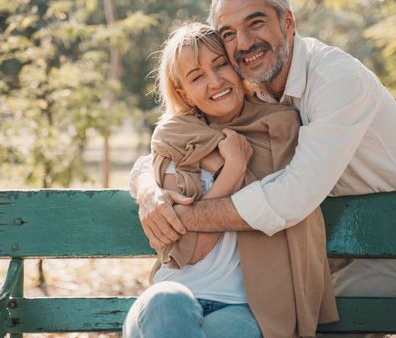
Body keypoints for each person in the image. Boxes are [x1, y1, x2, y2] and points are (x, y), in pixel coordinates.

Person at [130, 0, 396, 322]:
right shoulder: (255, 85)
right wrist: (148, 190)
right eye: (229, 33)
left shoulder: (337, 80)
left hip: (392, 236)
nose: (244, 43)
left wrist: (183, 218)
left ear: (288, 23)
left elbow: (291, 197)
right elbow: (171, 142)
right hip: (323, 244)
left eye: (256, 22)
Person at [123, 22, 338, 338]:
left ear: (237, 66)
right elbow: (189, 252)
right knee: (165, 303)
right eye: (197, 77)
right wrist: (233, 169)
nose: (214, 81)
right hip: (173, 302)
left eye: (220, 64)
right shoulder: (175, 138)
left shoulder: (278, 128)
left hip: (245, 309)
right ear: (184, 93)